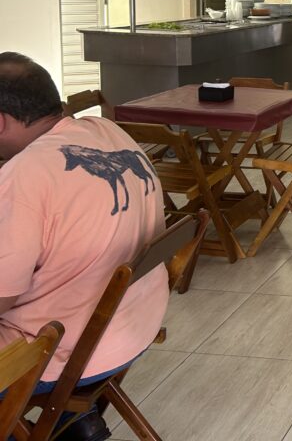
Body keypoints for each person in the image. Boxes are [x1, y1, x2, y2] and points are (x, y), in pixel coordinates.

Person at [0, 53, 168, 440]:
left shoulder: (24, 175)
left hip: (63, 353)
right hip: (132, 326)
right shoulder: (106, 130)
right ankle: (71, 421)